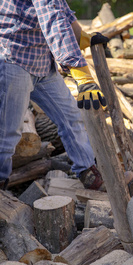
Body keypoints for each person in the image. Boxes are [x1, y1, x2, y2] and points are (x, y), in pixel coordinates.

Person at [0, 0, 109, 191]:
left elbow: (61, 9)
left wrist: (81, 36)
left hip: (42, 62)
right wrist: (82, 74)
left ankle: (88, 174)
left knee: (71, 117)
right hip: (14, 58)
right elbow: (53, 20)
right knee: (8, 133)